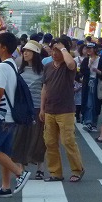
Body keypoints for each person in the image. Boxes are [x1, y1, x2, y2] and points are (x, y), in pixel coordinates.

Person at [0, 32, 31, 197]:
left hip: (1, 114)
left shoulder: (3, 66)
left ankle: (20, 173)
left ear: (4, 48)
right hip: (10, 116)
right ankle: (5, 187)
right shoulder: (12, 64)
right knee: (4, 151)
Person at [40, 37, 85, 183]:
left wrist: (63, 48)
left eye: (58, 50)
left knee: (67, 141)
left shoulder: (68, 65)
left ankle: (77, 170)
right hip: (49, 109)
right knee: (50, 142)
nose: (54, 53)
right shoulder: (47, 66)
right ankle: (55, 172)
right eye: (53, 50)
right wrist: (42, 108)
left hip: (65, 109)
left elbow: (71, 64)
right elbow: (44, 88)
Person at [11, 40, 46, 180]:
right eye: (24, 51)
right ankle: (21, 168)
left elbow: (45, 90)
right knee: (20, 138)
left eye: (28, 51)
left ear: (35, 53)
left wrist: (43, 109)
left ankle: (40, 167)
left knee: (38, 139)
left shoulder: (43, 71)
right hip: (23, 109)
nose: (25, 53)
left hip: (37, 108)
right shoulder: (19, 70)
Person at [81, 42, 102, 132]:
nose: (88, 50)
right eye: (87, 48)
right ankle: (88, 121)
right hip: (87, 83)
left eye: (90, 48)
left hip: (97, 83)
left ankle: (93, 123)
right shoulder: (86, 60)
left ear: (95, 49)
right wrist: (89, 65)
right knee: (88, 103)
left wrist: (98, 71)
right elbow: (82, 71)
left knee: (95, 103)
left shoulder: (100, 59)